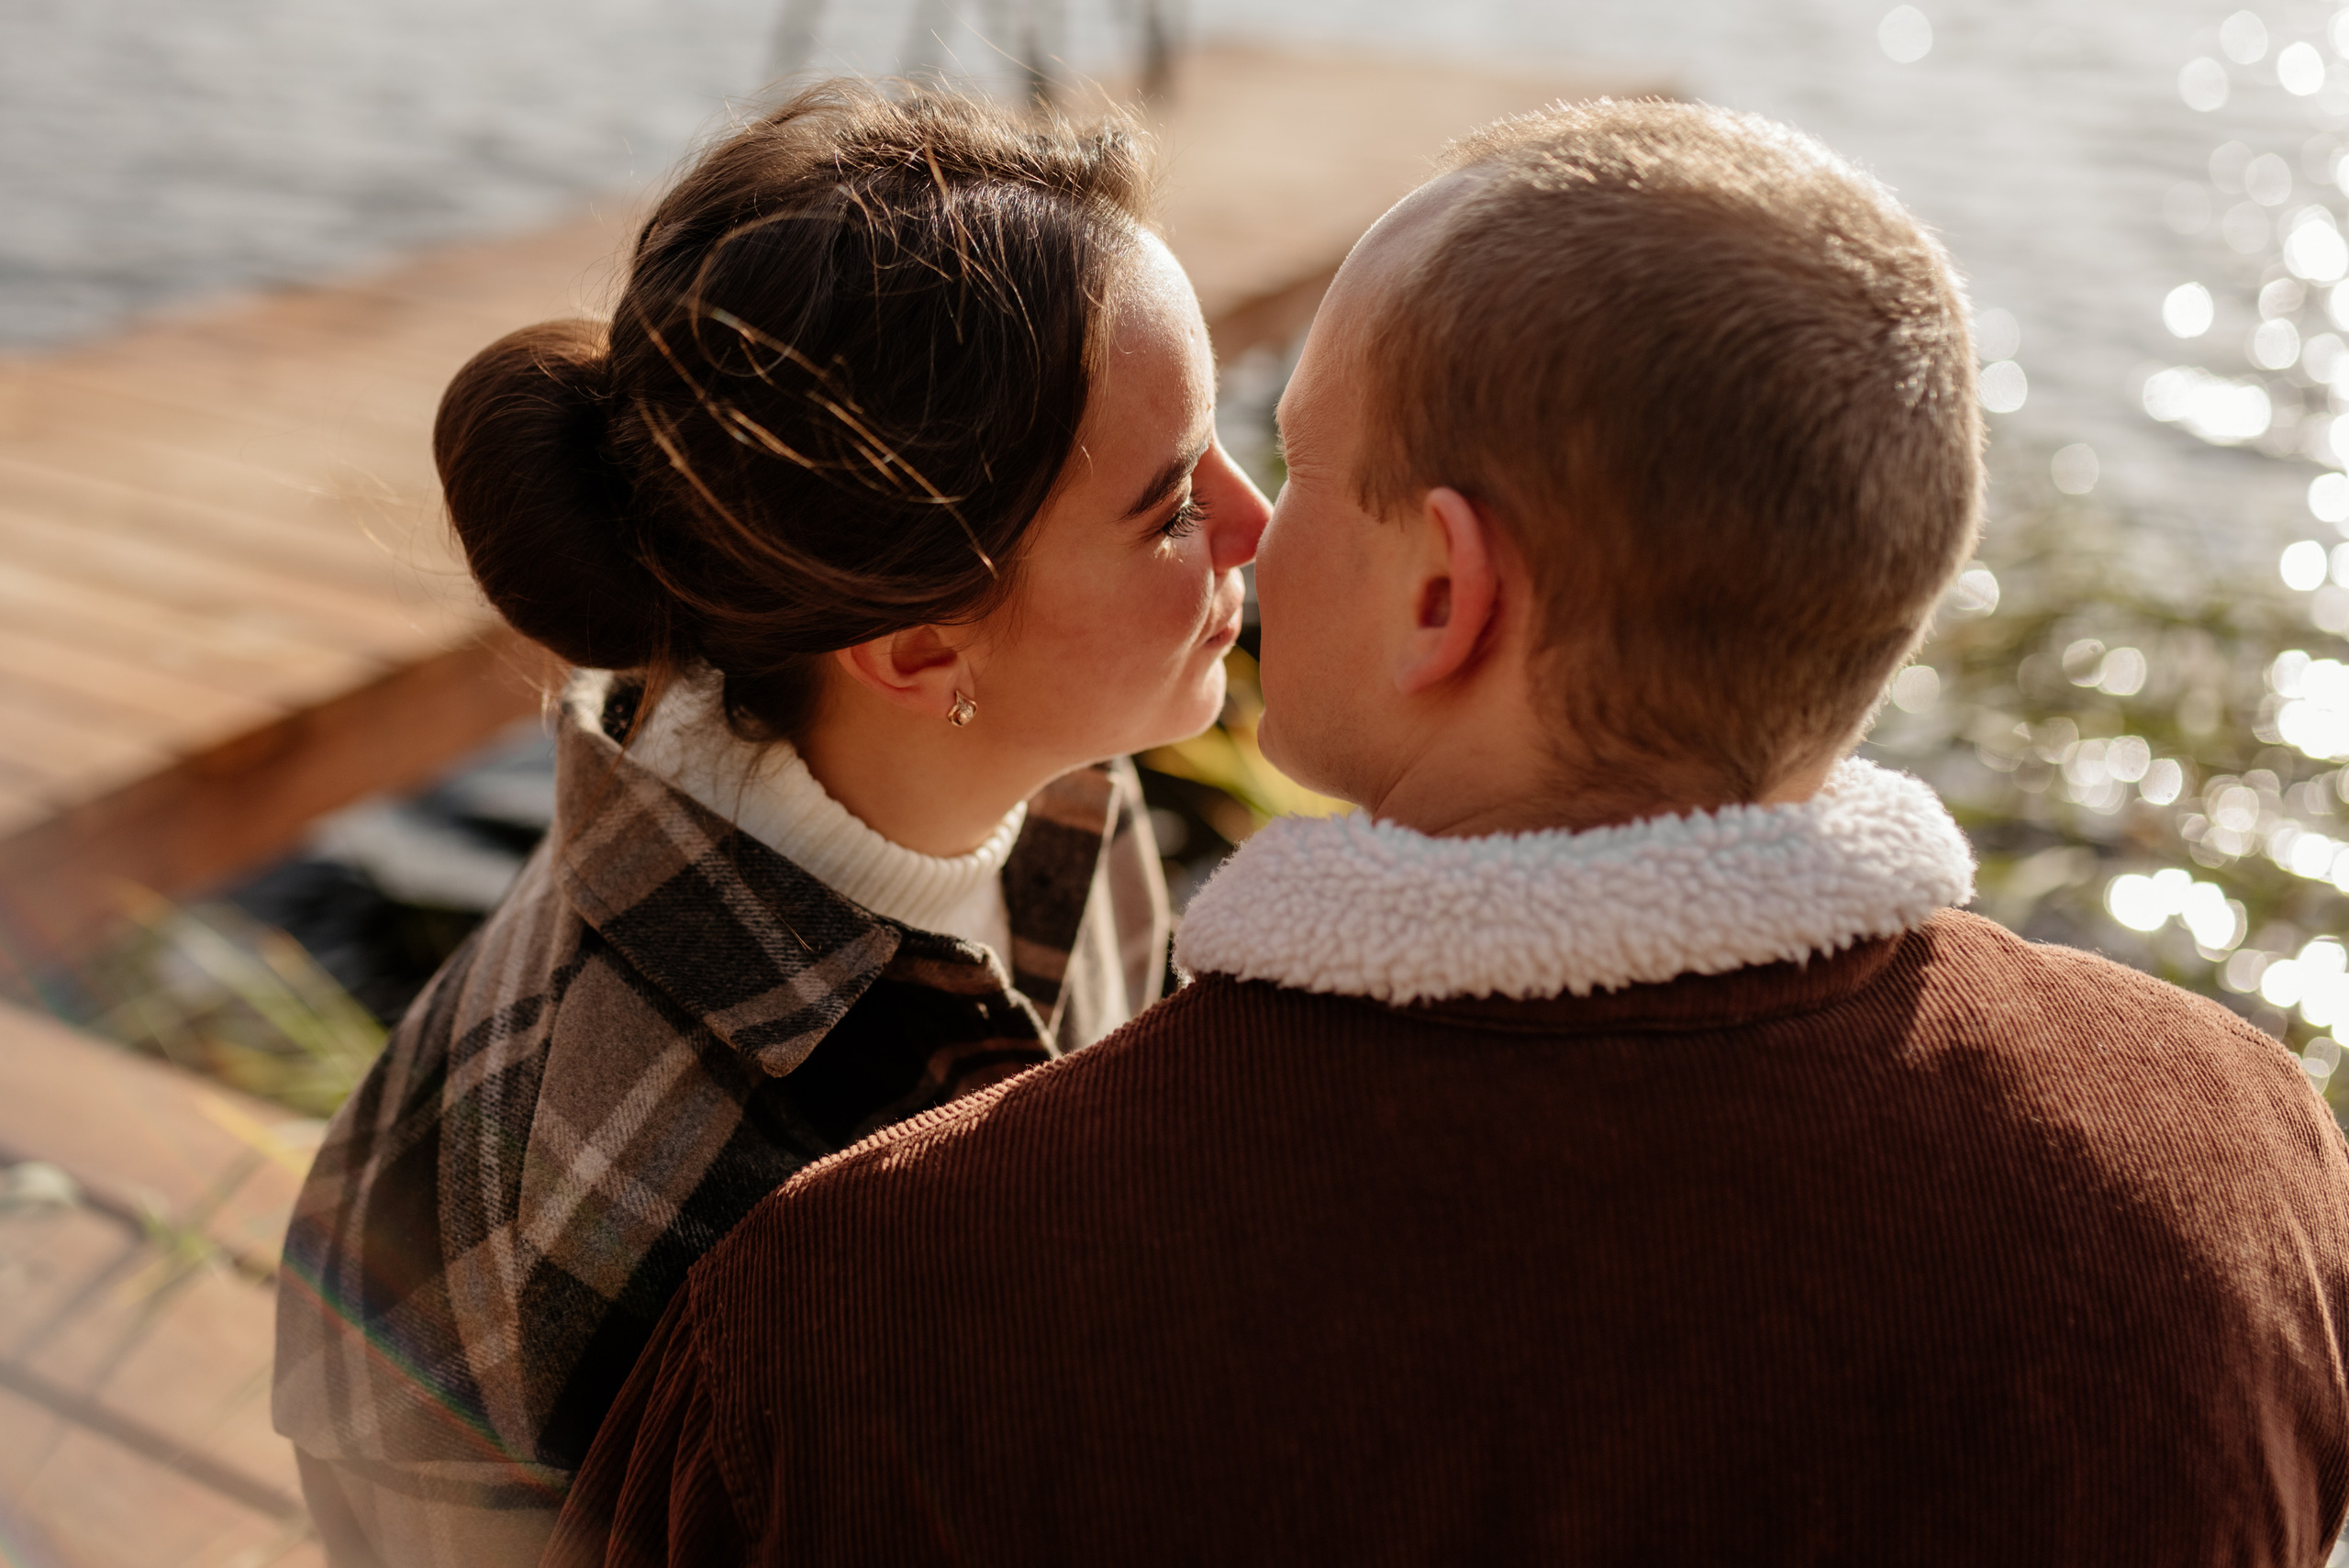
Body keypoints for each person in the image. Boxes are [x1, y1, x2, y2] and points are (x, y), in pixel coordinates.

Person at [550, 97, 2349, 1566]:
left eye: (1304, 459)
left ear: (1442, 595)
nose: (1257, 528)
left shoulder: (856, 1318)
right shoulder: (2241, 1163)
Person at [270, 82, 1268, 1566]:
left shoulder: (1035, 767)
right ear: (920, 649)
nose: (1259, 520)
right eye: (1172, 503)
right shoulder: (654, 1218)